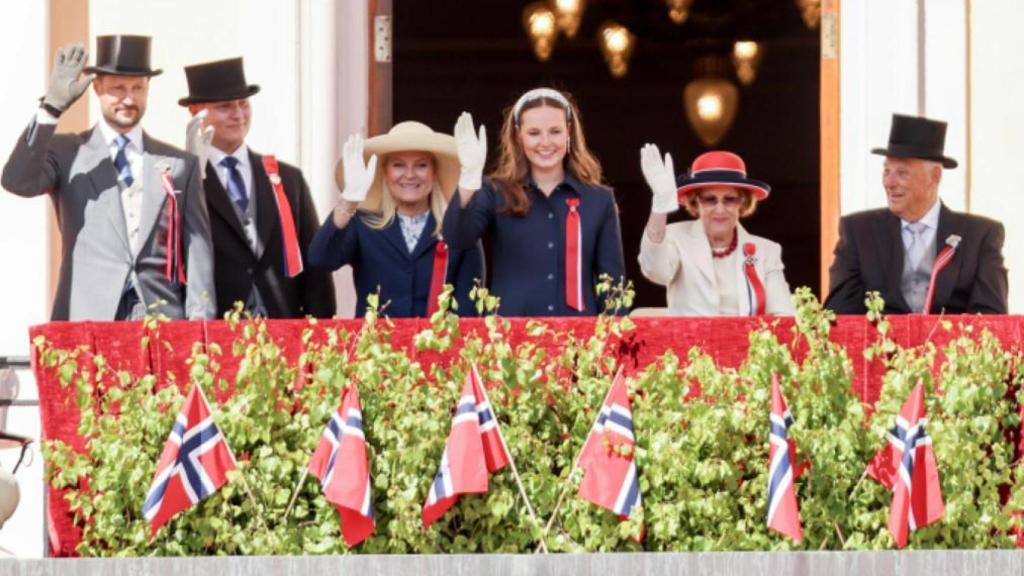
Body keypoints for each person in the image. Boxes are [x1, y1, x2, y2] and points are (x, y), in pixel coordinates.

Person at [1, 36, 214, 321]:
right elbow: (17, 181)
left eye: (138, 88)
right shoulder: (67, 151)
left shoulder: (180, 164)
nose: (129, 98)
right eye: (118, 89)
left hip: (162, 322)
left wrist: (200, 331)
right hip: (87, 319)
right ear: (97, 87)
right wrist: (50, 108)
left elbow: (198, 254)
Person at [442, 88, 626, 316]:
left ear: (569, 132)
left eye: (555, 131)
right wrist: (469, 177)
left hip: (581, 342)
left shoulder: (599, 199)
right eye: (534, 133)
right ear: (518, 134)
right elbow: (457, 237)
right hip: (509, 339)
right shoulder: (494, 191)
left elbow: (613, 287)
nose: (545, 142)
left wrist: (614, 344)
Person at [180, 57, 335, 318]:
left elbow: (314, 268)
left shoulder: (287, 178)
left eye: (243, 104)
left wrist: (320, 331)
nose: (238, 115)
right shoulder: (182, 180)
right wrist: (191, 173)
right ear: (197, 112)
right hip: (215, 332)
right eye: (225, 106)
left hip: (283, 329)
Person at [824, 114, 1008, 314]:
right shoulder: (858, 232)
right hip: (880, 344)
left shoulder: (980, 236)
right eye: (886, 172)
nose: (889, 183)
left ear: (934, 176)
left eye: (902, 173)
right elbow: (840, 316)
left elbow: (991, 319)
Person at [307, 122, 484, 317]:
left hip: (439, 346)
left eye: (421, 165)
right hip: (374, 346)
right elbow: (320, 259)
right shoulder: (363, 224)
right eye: (398, 165)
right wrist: (348, 202)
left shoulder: (459, 229)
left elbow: (470, 312)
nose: (409, 175)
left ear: (434, 173)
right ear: (384, 172)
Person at [637, 148, 795, 316]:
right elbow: (656, 272)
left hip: (748, 341)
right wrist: (660, 207)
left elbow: (783, 316)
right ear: (695, 202)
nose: (720, 209)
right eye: (710, 199)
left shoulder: (767, 251)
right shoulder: (675, 236)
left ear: (742, 202)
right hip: (690, 341)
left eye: (730, 199)